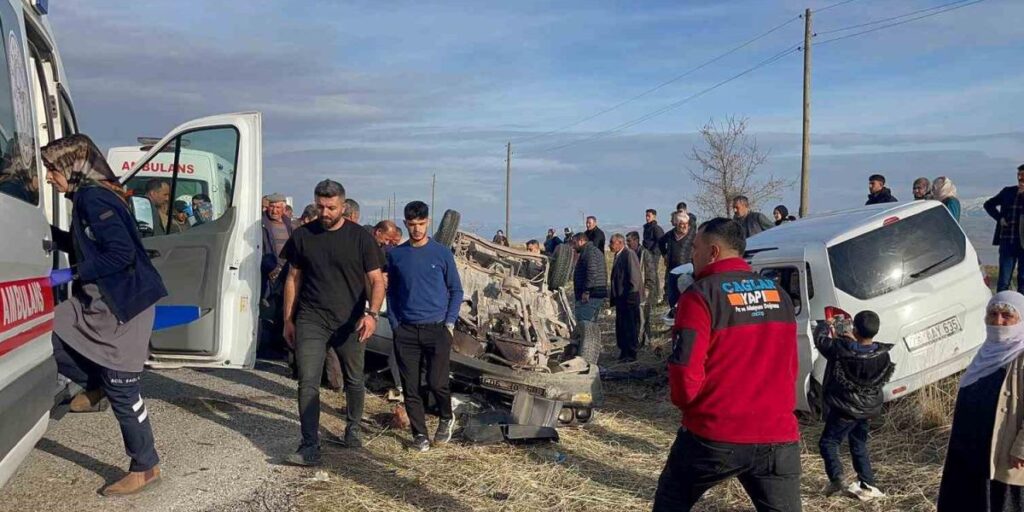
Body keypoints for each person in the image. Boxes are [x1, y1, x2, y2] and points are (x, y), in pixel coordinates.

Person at [42, 134, 168, 495]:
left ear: (72, 167)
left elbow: (121, 255)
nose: (51, 177)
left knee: (124, 387)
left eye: (53, 169)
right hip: (100, 300)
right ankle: (96, 384)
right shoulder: (87, 197)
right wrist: (48, 235)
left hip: (124, 303)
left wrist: (72, 273)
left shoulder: (94, 199)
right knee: (55, 334)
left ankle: (146, 466)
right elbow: (88, 244)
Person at [653, 218, 800, 512]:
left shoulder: (700, 296)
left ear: (713, 252)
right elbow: (790, 365)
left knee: (672, 500)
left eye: (695, 247)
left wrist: (689, 406)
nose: (690, 254)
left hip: (715, 433)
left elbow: (684, 370)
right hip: (778, 435)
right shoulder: (778, 294)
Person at [281, 179, 385, 465]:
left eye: (331, 207)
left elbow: (377, 280)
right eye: (320, 206)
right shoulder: (303, 236)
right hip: (311, 318)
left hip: (351, 322)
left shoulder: (361, 238)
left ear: (343, 206)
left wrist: (372, 315)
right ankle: (310, 444)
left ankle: (352, 429)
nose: (325, 212)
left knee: (353, 380)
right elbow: (293, 278)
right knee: (308, 381)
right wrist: (288, 320)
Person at [386, 201, 464, 452]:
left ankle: (445, 417)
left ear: (428, 222)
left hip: (437, 329)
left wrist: (450, 323)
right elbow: (393, 293)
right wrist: (396, 324)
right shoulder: (396, 255)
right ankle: (419, 434)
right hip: (406, 331)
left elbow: (456, 290)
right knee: (410, 387)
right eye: (412, 224)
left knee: (437, 382)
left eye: (421, 224)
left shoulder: (441, 253)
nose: (417, 229)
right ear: (405, 223)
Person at [938, 291, 1024, 511]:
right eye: (993, 314)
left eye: (1007, 315)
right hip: (971, 447)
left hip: (1004, 452)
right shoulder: (986, 352)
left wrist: (1021, 449)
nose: (998, 321)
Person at [814, 311, 894, 500]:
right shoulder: (882, 354)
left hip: (845, 408)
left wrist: (827, 325)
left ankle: (837, 478)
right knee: (859, 444)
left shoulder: (843, 350)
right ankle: (868, 483)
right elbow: (863, 355)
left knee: (828, 442)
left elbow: (821, 340)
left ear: (855, 329)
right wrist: (855, 342)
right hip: (867, 409)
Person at [258, 193, 294, 359]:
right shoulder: (261, 224)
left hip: (286, 271)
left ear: (284, 209)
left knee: (282, 308)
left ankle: (279, 346)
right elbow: (260, 248)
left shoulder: (288, 224)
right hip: (269, 271)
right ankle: (264, 347)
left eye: (278, 207)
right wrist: (270, 268)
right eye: (272, 206)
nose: (274, 210)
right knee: (266, 308)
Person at [984, 165, 1024, 292]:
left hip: (1023, 243)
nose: (1020, 178)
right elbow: (989, 204)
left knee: (1023, 281)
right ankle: (1001, 307)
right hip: (1007, 241)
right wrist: (999, 218)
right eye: (1019, 175)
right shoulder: (1008, 192)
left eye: (1023, 176)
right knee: (1003, 281)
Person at [609, 234, 641, 362]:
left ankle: (631, 354)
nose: (610, 245)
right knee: (622, 326)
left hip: (628, 298)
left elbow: (634, 276)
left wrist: (632, 295)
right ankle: (624, 352)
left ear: (619, 243)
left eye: (612, 242)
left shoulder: (629, 254)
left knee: (630, 326)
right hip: (621, 299)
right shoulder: (618, 255)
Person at [658, 210, 696, 316]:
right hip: (673, 268)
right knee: (673, 295)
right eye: (681, 224)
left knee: (686, 294)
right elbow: (661, 242)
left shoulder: (692, 234)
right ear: (676, 224)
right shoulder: (670, 235)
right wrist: (665, 254)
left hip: (687, 269)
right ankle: (674, 316)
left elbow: (693, 219)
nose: (683, 226)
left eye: (685, 224)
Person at [628, 231, 658, 347]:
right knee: (637, 319)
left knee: (643, 318)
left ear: (636, 240)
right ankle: (641, 342)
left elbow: (651, 273)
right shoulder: (630, 253)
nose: (628, 244)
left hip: (644, 292)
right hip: (634, 292)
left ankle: (644, 342)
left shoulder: (645, 254)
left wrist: (647, 288)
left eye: (629, 241)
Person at [572, 233, 607, 330]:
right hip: (594, 292)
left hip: (591, 294)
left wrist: (586, 291)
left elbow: (592, 272)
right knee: (590, 326)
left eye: (574, 243)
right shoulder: (589, 251)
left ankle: (587, 345)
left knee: (585, 324)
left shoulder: (589, 252)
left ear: (581, 241)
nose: (573, 246)